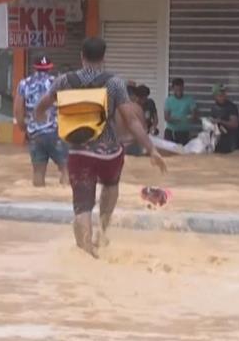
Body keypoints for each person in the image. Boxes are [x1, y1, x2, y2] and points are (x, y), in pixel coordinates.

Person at [35, 37, 167, 258]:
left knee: (82, 206)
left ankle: (87, 255)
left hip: (80, 153)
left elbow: (42, 106)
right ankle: (103, 231)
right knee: (111, 186)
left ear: (81, 56)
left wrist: (39, 120)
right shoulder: (114, 83)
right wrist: (151, 148)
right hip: (110, 153)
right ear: (104, 57)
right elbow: (132, 120)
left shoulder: (64, 81)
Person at [15, 55, 69, 187]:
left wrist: (24, 128)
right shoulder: (57, 82)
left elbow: (17, 110)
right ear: (50, 68)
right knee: (66, 170)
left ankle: (37, 200)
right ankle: (65, 202)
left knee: (38, 172)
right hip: (55, 132)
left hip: (35, 134)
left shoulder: (24, 84)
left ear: (34, 67)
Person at [210, 84, 239, 154]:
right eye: (220, 95)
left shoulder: (231, 107)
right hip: (221, 139)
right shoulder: (214, 108)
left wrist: (220, 121)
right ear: (215, 96)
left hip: (233, 140)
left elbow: (235, 124)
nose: (223, 97)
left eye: (224, 94)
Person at [164, 78, 197, 145]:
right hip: (171, 132)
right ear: (173, 89)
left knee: (183, 153)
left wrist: (190, 117)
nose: (179, 91)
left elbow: (195, 115)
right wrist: (175, 119)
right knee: (168, 153)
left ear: (183, 88)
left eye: (180, 89)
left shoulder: (190, 100)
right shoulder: (168, 100)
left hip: (184, 133)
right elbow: (166, 117)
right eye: (176, 90)